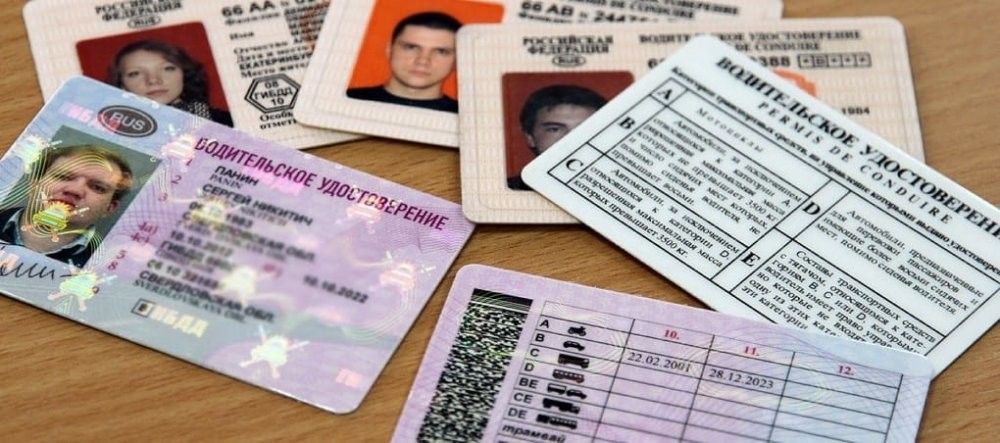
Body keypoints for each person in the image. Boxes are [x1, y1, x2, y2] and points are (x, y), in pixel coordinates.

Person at [0, 145, 134, 266]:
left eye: (97, 187)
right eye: (63, 177)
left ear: (109, 208)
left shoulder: (108, 266)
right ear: (33, 186)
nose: (74, 190)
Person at [347, 12, 461, 113]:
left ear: (457, 61)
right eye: (411, 47)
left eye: (441, 52)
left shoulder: (466, 119)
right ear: (389, 50)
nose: (422, 61)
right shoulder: (346, 100)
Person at [108, 40, 234, 127]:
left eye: (167, 68)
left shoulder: (228, 120)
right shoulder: (112, 134)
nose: (153, 80)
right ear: (122, 85)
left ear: (184, 74)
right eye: (135, 73)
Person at [507, 84, 607, 190]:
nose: (571, 140)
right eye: (554, 129)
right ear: (530, 137)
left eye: (584, 129)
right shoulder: (504, 191)